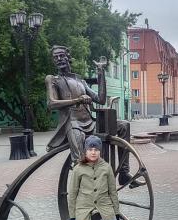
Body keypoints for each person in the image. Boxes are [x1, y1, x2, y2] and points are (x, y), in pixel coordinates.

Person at [45, 45, 141, 187]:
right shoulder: (53, 79)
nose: (59, 59)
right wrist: (77, 100)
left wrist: (101, 72)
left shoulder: (80, 81)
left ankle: (124, 173)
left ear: (68, 57)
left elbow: (101, 99)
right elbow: (51, 103)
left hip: (90, 122)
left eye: (61, 55)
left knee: (123, 126)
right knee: (80, 159)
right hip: (73, 123)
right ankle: (86, 185)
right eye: (56, 57)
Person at [68, 135, 120, 220]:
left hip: (105, 206)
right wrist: (72, 216)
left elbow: (113, 191)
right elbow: (72, 194)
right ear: (85, 151)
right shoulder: (78, 169)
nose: (93, 152)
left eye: (96, 150)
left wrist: (116, 212)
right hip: (84, 208)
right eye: (90, 150)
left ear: (99, 151)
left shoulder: (106, 168)